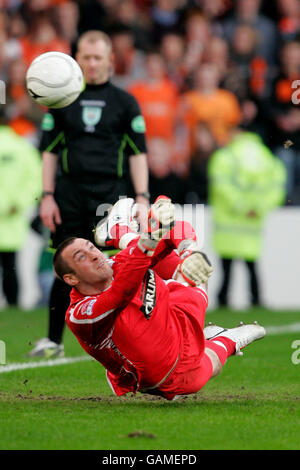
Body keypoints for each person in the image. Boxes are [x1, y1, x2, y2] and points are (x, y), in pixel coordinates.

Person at [52, 195, 266, 401]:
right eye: (82, 257)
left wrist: (190, 251)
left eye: (91, 247)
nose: (94, 255)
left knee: (191, 268)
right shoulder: (79, 314)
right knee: (205, 368)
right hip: (159, 376)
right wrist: (151, 237)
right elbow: (120, 293)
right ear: (71, 278)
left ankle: (120, 232)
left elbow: (177, 229)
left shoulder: (117, 264)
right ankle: (227, 339)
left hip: (173, 314)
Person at [29, 30, 149, 358]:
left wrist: (141, 196)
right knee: (64, 267)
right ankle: (53, 340)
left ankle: (129, 338)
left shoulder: (125, 102)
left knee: (116, 266)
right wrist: (48, 195)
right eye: (86, 57)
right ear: (76, 59)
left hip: (111, 194)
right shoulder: (60, 99)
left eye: (98, 57)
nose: (92, 63)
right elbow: (50, 152)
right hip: (69, 194)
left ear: (110, 60)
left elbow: (138, 153)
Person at [208, 130, 287, 308]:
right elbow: (277, 186)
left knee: (226, 267)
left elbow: (220, 184)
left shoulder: (225, 156)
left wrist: (240, 206)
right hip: (253, 223)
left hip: (228, 222)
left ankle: (223, 299)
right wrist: (257, 208)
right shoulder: (266, 157)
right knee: (252, 265)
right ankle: (256, 299)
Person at [0, 110, 41, 308]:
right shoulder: (22, 147)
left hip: (10, 214)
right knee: (11, 265)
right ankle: (13, 303)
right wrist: (19, 203)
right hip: (13, 215)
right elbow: (36, 179)